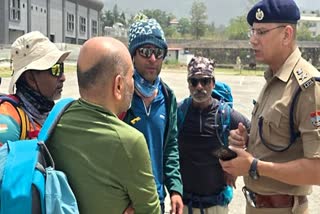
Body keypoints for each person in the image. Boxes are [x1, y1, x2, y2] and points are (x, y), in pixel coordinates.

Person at [220, 0, 320, 214]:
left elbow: (317, 170)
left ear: (286, 34)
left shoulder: (307, 86)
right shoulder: (273, 79)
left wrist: (254, 166)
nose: (253, 40)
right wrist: (248, 142)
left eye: (262, 32)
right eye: (252, 32)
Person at [46, 37, 160, 214]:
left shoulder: (56, 120)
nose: (133, 83)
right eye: (131, 76)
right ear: (119, 85)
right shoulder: (129, 141)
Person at [122, 15, 183, 214]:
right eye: (146, 51)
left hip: (156, 200)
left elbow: (170, 146)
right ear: (132, 54)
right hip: (126, 204)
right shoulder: (119, 94)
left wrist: (175, 189)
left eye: (158, 52)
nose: (153, 59)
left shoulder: (167, 96)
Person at [177, 56, 250, 214]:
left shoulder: (225, 115)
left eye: (205, 81)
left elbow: (256, 137)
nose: (199, 86)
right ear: (188, 84)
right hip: (183, 205)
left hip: (216, 206)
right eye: (194, 81)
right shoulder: (178, 113)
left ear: (213, 83)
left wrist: (235, 166)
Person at [0, 31, 70, 144]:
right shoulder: (8, 120)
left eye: (62, 68)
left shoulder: (49, 113)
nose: (63, 77)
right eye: (56, 69)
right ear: (31, 78)